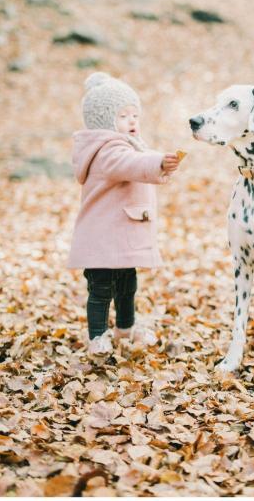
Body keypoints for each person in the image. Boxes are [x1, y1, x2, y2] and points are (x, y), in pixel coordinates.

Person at [68, 72, 181, 356]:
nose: (132, 121)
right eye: (123, 116)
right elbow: (130, 164)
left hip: (119, 237)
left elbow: (137, 158)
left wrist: (159, 161)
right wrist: (157, 162)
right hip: (103, 238)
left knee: (127, 285)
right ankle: (97, 336)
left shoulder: (128, 146)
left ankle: (126, 328)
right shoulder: (108, 151)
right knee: (101, 289)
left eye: (135, 115)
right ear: (105, 121)